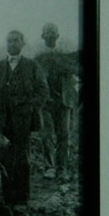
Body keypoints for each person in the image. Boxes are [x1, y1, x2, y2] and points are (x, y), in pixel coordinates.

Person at [0, 30, 48, 209]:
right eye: (9, 41)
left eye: (15, 41)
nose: (12, 44)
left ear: (23, 43)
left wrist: (31, 107)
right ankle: (8, 198)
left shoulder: (31, 65)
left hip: (23, 120)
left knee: (22, 157)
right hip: (3, 120)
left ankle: (22, 199)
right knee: (5, 157)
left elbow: (43, 90)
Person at [35, 22, 77, 180]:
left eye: (53, 33)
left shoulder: (65, 56)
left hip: (64, 101)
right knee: (46, 135)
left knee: (64, 136)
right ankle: (49, 167)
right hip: (46, 103)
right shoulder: (38, 58)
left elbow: (76, 72)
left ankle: (62, 168)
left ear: (57, 36)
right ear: (42, 36)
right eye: (47, 33)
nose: (50, 36)